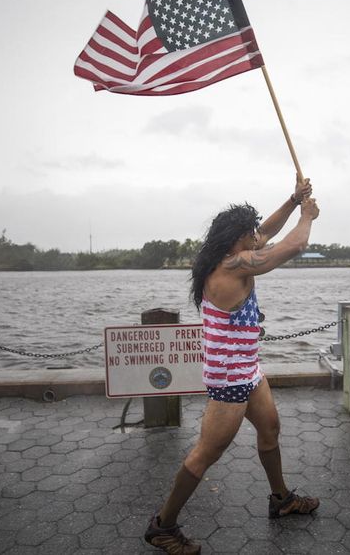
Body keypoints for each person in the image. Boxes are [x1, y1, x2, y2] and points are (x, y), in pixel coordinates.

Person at [145, 178, 321, 554]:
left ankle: (281, 499)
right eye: (251, 235)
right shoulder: (235, 266)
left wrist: (292, 201)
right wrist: (307, 217)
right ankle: (163, 526)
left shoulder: (225, 254)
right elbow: (293, 245)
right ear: (237, 239)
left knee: (270, 429)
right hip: (229, 378)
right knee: (206, 454)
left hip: (249, 370)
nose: (258, 239)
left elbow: (268, 231)